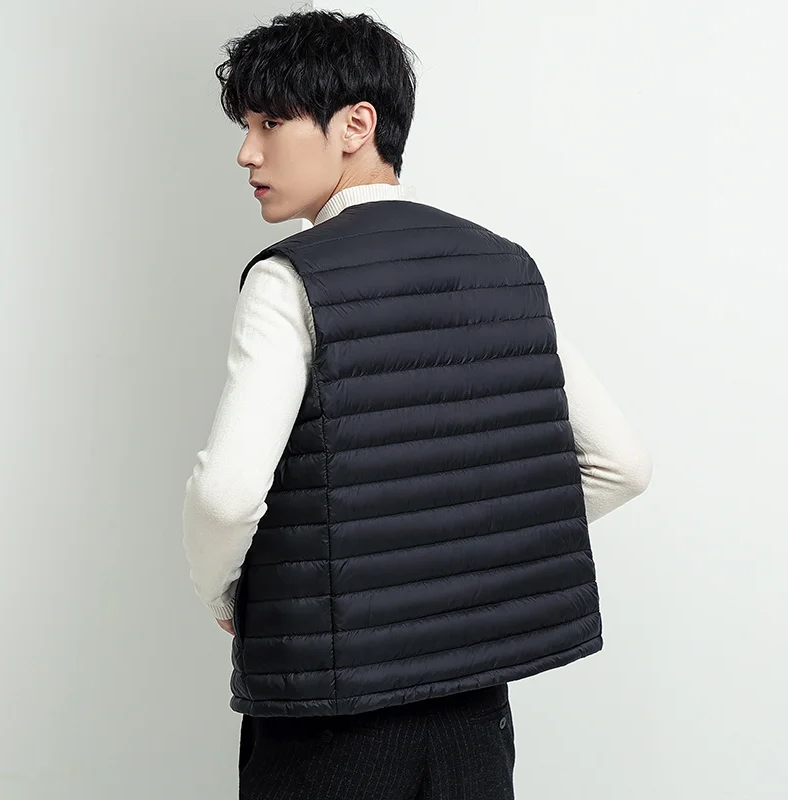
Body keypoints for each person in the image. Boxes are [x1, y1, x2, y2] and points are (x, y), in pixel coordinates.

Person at [182, 10, 653, 800]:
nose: (247, 152)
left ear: (356, 125)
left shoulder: (289, 278)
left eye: (270, 123)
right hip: (475, 711)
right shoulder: (505, 266)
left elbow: (225, 496)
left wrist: (229, 591)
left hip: (331, 720)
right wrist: (471, 547)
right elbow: (623, 466)